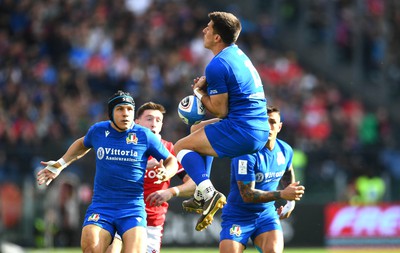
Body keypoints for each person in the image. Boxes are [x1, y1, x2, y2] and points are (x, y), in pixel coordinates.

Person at [37, 90, 178, 253]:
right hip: (102, 206)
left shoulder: (144, 135)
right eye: (120, 109)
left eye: (129, 109)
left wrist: (167, 173)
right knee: (90, 245)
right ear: (111, 112)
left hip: (132, 208)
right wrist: (60, 163)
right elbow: (82, 145)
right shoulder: (98, 131)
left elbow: (171, 160)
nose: (126, 114)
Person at [174, 11, 270, 231]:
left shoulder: (217, 65)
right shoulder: (238, 55)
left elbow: (220, 111)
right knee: (196, 128)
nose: (204, 30)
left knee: (180, 147)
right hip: (259, 127)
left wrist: (199, 93)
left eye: (208, 27)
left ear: (217, 37)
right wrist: (207, 87)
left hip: (242, 129)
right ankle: (200, 194)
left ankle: (210, 194)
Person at [106, 102, 196, 253]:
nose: (154, 124)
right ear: (137, 122)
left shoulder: (168, 150)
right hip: (122, 215)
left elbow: (193, 184)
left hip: (152, 223)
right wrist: (141, 166)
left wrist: (170, 192)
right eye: (149, 119)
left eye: (158, 120)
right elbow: (108, 177)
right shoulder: (124, 147)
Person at [218, 106, 305, 253]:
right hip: (238, 215)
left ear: (280, 126)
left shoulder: (285, 150)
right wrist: (282, 194)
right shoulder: (246, 153)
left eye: (272, 122)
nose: (268, 126)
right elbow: (247, 195)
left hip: (266, 215)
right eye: (263, 121)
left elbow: (287, 174)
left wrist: (290, 204)